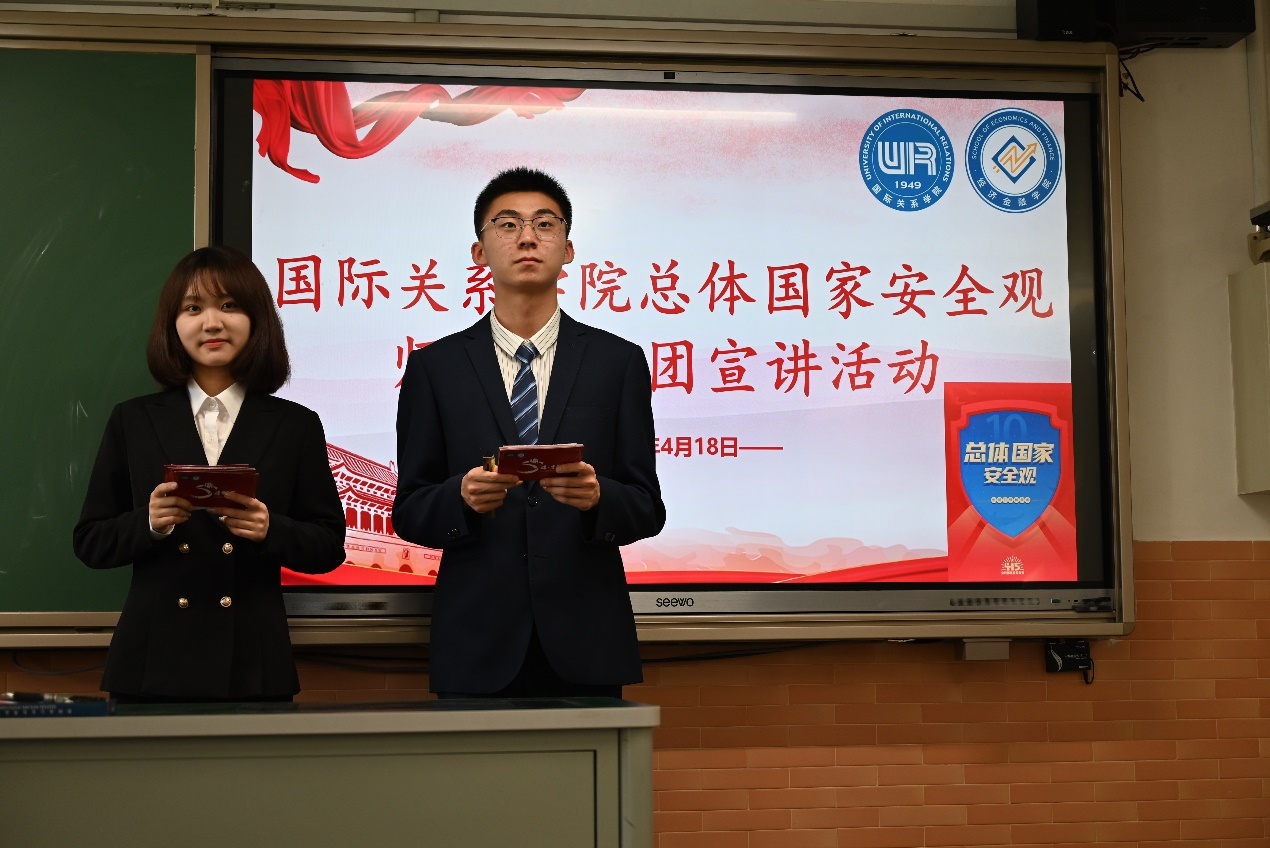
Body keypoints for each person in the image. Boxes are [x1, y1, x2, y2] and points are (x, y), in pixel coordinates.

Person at [392, 167, 665, 698]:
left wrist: (598, 498)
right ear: (479, 252)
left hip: (587, 639)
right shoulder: (435, 368)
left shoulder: (618, 363)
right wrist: (461, 497)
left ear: (568, 249)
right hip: (476, 641)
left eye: (544, 223)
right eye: (508, 224)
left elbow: (647, 507)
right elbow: (410, 510)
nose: (526, 237)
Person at [73, 246, 346, 703]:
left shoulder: (295, 424)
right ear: (172, 324)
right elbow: (90, 541)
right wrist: (150, 522)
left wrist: (270, 529)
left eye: (229, 305)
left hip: (253, 663)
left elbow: (328, 547)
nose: (212, 323)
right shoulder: (134, 420)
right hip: (152, 661)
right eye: (193, 308)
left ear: (257, 319)